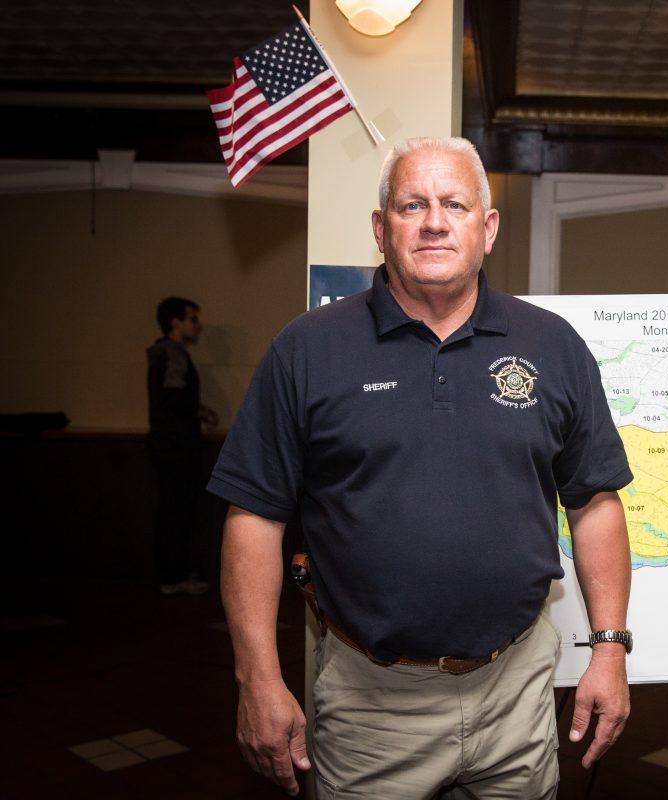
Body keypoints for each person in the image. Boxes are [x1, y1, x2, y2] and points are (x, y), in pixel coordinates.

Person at [208, 137, 634, 798]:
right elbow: (255, 518)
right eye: (412, 205)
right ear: (381, 229)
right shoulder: (306, 350)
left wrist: (609, 649)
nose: (435, 221)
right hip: (371, 704)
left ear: (486, 228)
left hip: (517, 690)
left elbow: (594, 502)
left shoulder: (552, 345)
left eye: (455, 204)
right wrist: (257, 678)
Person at [147, 296, 218, 595]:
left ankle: (173, 575)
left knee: (173, 512)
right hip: (177, 449)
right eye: (192, 319)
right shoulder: (172, 354)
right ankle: (173, 577)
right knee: (177, 513)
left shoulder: (165, 354)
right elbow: (173, 399)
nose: (197, 325)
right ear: (175, 322)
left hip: (170, 447)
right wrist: (197, 411)